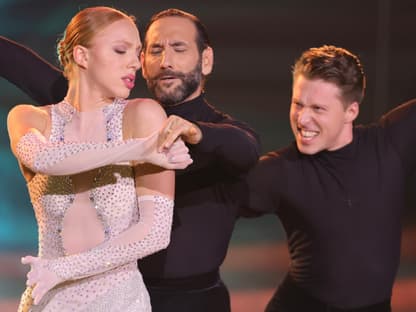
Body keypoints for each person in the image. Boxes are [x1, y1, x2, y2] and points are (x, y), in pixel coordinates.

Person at [0, 8, 261, 312]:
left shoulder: (181, 125)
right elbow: (48, 79)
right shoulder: (116, 113)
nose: (165, 61)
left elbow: (245, 149)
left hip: (179, 300)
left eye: (178, 48)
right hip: (62, 294)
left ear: (206, 60)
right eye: (153, 50)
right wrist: (140, 147)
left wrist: (195, 133)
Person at [234, 45, 416, 312]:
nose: (302, 118)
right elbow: (210, 203)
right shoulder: (280, 170)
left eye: (318, 108)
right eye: (298, 104)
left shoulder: (388, 146)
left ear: (351, 111)